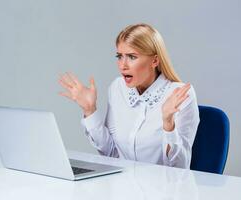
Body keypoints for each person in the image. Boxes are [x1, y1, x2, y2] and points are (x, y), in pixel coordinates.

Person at [58, 23, 200, 169]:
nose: (122, 65)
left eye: (132, 57)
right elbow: (112, 155)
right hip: (123, 185)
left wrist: (168, 123)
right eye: (120, 56)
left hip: (161, 188)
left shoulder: (180, 95)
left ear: (155, 61)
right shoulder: (117, 88)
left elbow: (179, 168)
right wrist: (90, 110)